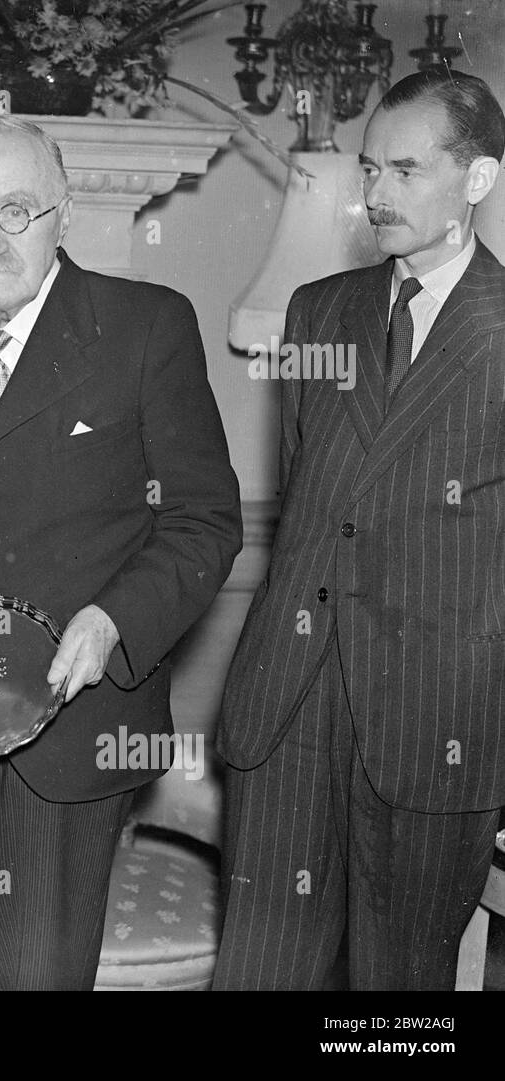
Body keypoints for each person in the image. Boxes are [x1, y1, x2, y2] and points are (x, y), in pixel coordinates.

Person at [0, 113, 241, 990]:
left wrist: (113, 623)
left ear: (63, 212)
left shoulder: (146, 327)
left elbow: (204, 519)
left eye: (15, 210)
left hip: (69, 735)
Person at [216, 68, 505, 991]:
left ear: (478, 180)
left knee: (398, 1004)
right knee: (257, 975)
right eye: (370, 169)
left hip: (434, 728)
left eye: (405, 171)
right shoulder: (319, 312)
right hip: (290, 704)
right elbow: (310, 504)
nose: (375, 194)